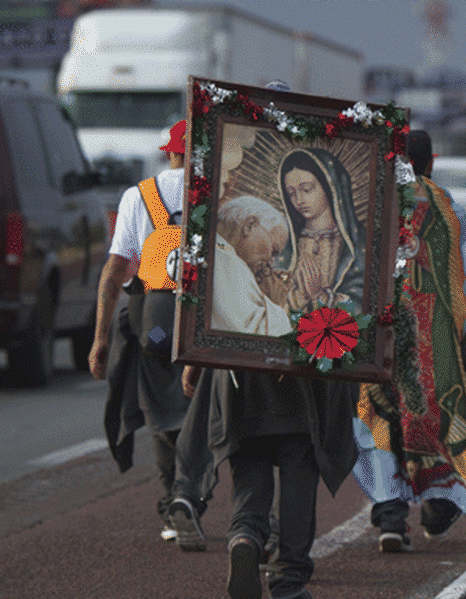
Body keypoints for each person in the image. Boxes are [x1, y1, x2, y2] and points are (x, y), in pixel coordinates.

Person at [175, 80, 358, 599]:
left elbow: (201, 302)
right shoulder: (239, 254)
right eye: (270, 247)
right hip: (300, 377)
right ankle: (289, 575)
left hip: (242, 377)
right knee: (299, 470)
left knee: (251, 471)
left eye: (309, 189)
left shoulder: (221, 236)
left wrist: (195, 357)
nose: (273, 258)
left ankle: (244, 538)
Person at [352, 129, 466, 553]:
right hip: (434, 342)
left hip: (377, 337)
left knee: (382, 421)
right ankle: (439, 508)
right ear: (431, 163)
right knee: (434, 421)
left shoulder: (370, 204)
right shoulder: (450, 210)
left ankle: (390, 519)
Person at [89, 120, 210, 552]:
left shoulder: (139, 196)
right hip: (208, 316)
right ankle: (189, 495)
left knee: (162, 411)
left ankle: (171, 510)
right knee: (206, 407)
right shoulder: (218, 193)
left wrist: (101, 337)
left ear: (171, 153)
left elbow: (115, 270)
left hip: (157, 318)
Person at [260, 148, 366, 312]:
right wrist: (301, 296)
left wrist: (320, 296)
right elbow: (265, 303)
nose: (299, 200)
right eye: (292, 193)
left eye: (307, 189)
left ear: (329, 186)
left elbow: (362, 306)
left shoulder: (358, 243)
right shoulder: (284, 242)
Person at [212, 195, 293, 336]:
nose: (271, 262)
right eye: (273, 251)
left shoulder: (223, 254)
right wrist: (275, 303)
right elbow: (254, 342)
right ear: (249, 225)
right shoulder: (225, 260)